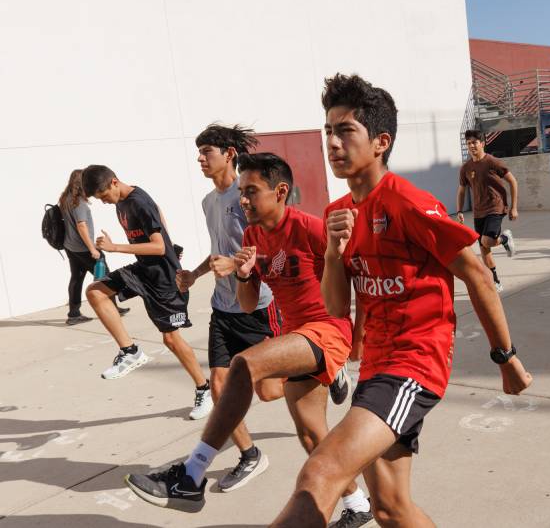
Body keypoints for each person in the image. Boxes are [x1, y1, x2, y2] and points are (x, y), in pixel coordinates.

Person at [268, 73, 532, 528]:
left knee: (323, 470)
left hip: (415, 363)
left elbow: (478, 276)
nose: (332, 142)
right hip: (377, 368)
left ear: (380, 141)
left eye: (345, 130)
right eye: (328, 131)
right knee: (391, 508)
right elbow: (336, 310)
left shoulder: (409, 202)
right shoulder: (337, 214)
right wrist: (332, 254)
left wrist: (506, 357)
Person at [124, 153, 374, 527]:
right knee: (309, 434)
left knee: (245, 364)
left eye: (251, 191)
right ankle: (357, 504)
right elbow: (248, 303)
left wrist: (358, 341)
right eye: (242, 192)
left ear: (281, 192)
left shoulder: (310, 228)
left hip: (327, 330)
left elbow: (360, 279)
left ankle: (192, 475)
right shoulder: (253, 235)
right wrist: (244, 274)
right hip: (295, 336)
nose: (243, 200)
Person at [172, 123, 286, 491]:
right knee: (221, 387)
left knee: (268, 391)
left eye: (208, 151)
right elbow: (220, 250)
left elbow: (272, 249)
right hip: (223, 308)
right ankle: (250, 455)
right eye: (199, 152)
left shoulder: (247, 198)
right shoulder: (209, 202)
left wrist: (238, 266)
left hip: (257, 305)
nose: (200, 159)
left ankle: (325, 371)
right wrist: (197, 274)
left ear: (229, 154)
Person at [81, 165, 212, 420]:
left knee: (171, 340)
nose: (104, 202)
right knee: (95, 292)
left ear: (114, 182)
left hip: (165, 280)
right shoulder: (123, 203)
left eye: (103, 196)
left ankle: (203, 389)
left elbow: (159, 246)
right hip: (143, 270)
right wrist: (172, 244)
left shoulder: (138, 201)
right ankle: (130, 352)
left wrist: (115, 247)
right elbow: (160, 219)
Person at [59, 168, 129, 325]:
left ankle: (73, 313)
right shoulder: (79, 203)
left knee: (76, 279)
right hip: (84, 248)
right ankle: (112, 307)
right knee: (106, 275)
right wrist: (92, 249)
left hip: (70, 247)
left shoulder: (66, 199)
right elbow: (81, 226)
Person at [456, 129, 518, 292]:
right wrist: (460, 210)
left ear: (482, 144)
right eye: (469, 143)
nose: (472, 146)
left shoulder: (492, 162)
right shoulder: (466, 168)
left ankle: (504, 238)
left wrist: (514, 207)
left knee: (487, 241)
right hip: (479, 211)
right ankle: (495, 281)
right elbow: (462, 190)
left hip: (495, 207)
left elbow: (512, 181)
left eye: (475, 142)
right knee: (484, 250)